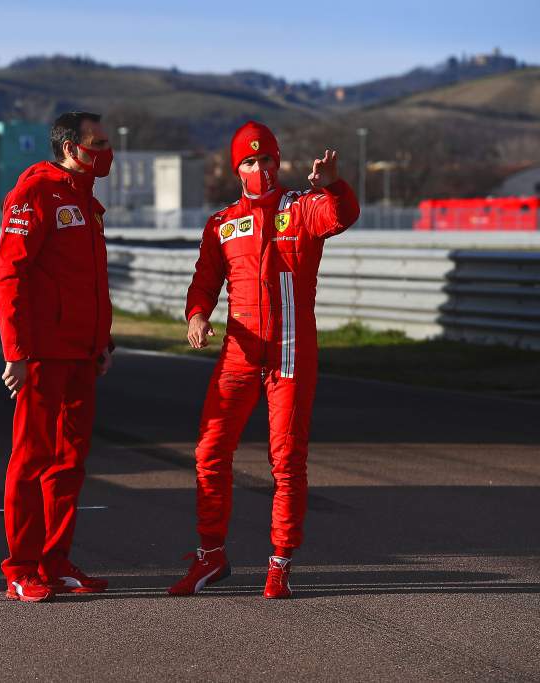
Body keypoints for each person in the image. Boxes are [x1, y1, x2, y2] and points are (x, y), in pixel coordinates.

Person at [168, 121, 360, 599]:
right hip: (239, 351)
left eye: (267, 160)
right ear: (238, 170)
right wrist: (196, 316)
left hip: (291, 353)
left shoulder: (303, 208)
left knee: (287, 461)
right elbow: (205, 280)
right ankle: (210, 555)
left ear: (279, 162)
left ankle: (280, 562)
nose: (260, 169)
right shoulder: (221, 223)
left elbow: (342, 216)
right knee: (210, 452)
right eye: (250, 162)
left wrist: (333, 184)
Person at [0, 111, 116, 602]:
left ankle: (54, 560)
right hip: (41, 354)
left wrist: (101, 341)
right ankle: (21, 567)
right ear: (70, 147)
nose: (107, 152)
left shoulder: (88, 202)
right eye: (98, 143)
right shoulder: (35, 192)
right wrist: (16, 351)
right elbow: (9, 276)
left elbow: (89, 284)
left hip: (82, 355)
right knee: (30, 460)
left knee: (69, 463)